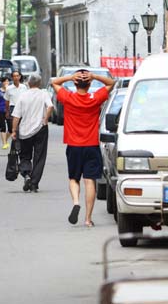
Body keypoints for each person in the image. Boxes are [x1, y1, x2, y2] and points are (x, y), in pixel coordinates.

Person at [52, 67, 116, 226]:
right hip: (91, 145)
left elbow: (54, 82)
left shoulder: (69, 98)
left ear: (75, 84)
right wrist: (93, 76)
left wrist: (70, 77)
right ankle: (88, 219)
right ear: (89, 85)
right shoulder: (95, 98)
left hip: (73, 145)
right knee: (90, 181)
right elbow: (112, 83)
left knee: (74, 179)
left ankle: (75, 202)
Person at [10, 74, 54, 193]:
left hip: (24, 131)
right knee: (39, 157)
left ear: (28, 83)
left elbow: (16, 115)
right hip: (40, 129)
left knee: (24, 155)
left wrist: (14, 131)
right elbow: (50, 106)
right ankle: (34, 183)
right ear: (39, 84)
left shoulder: (23, 96)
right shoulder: (44, 93)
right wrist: (45, 119)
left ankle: (27, 174)